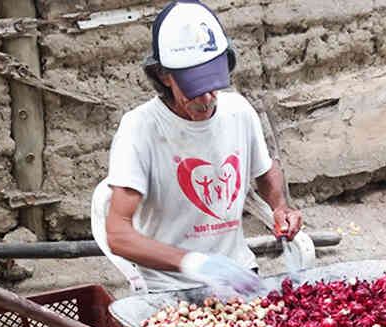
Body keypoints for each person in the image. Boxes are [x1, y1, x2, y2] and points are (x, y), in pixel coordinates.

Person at [103, 0, 302, 294]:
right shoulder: (140, 129)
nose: (207, 99)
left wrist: (280, 206)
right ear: (164, 76)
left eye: (214, 85)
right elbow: (118, 235)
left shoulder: (238, 111)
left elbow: (265, 170)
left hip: (237, 273)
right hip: (170, 285)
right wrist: (194, 263)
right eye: (195, 88)